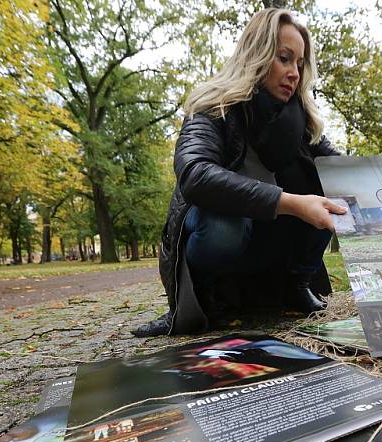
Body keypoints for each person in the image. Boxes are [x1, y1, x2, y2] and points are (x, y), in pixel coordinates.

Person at [132, 9, 345, 337]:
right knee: (224, 224)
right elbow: (195, 175)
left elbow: (344, 172)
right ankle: (204, 297)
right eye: (284, 58)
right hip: (220, 240)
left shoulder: (303, 122)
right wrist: (290, 202)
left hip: (269, 245)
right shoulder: (211, 107)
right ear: (257, 54)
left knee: (330, 193)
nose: (294, 73)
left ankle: (295, 284)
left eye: (299, 64)